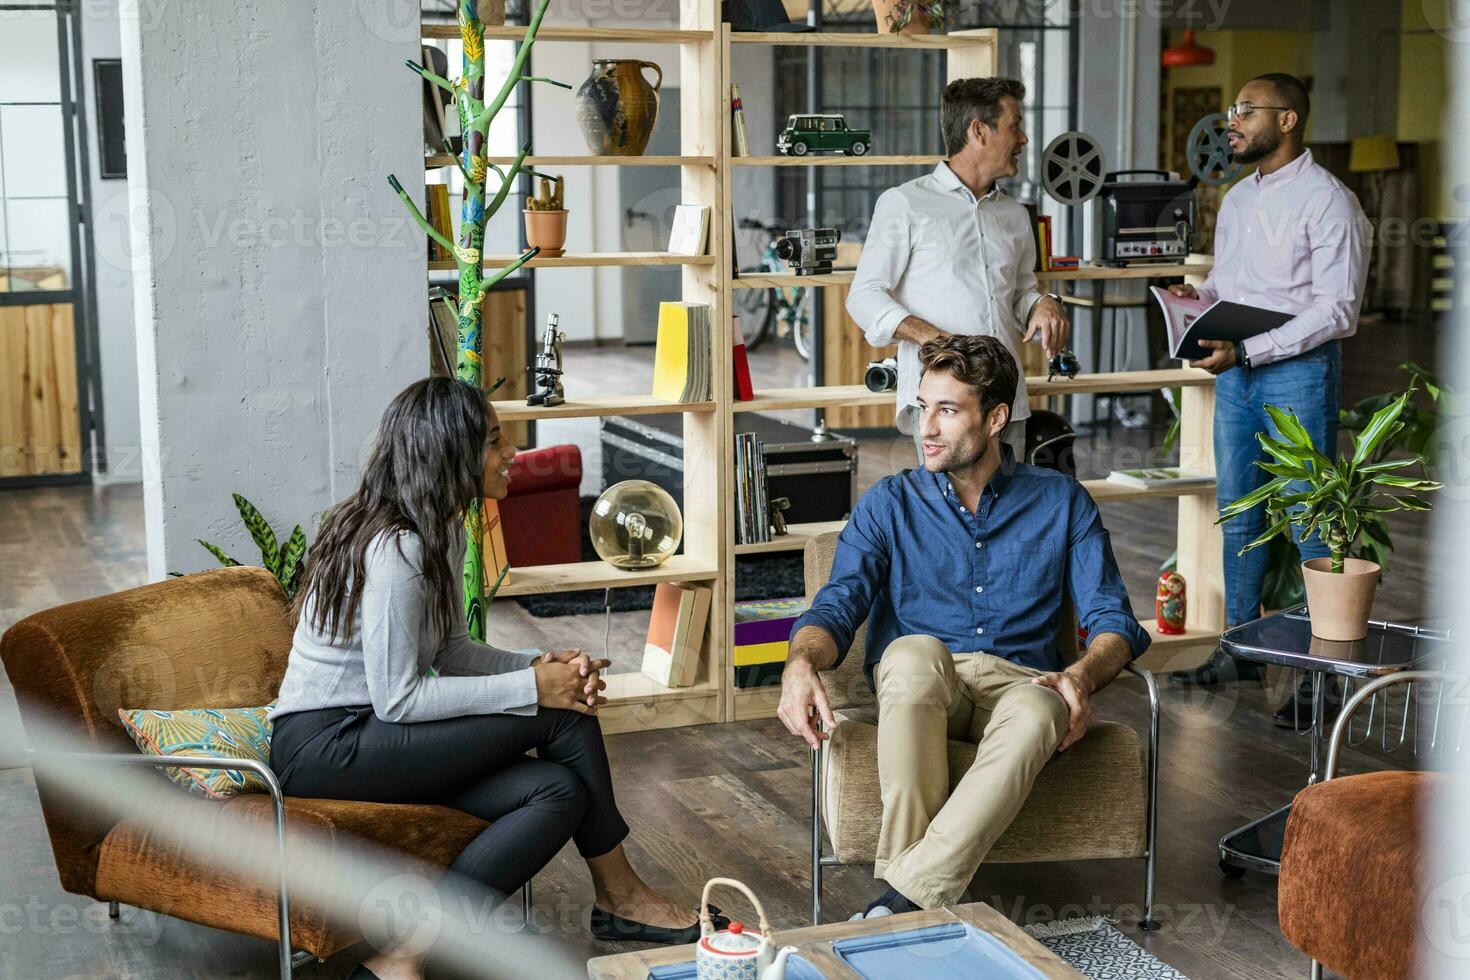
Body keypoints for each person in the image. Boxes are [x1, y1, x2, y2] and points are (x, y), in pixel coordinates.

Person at [268, 378, 726, 980]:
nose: (511, 451)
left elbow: (455, 651)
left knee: (557, 791)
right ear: (448, 453)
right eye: (492, 441)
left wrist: (541, 667)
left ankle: (407, 952)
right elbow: (400, 697)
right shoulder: (397, 547)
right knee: (561, 714)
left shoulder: (441, 531)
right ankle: (621, 896)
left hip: (375, 736)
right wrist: (540, 690)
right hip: (325, 745)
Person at [776, 335, 1149, 917]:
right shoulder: (889, 504)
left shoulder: (1062, 501)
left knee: (1043, 707)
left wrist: (1080, 676)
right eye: (923, 407)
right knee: (910, 654)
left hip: (1018, 684)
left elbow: (1114, 621)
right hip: (929, 685)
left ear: (996, 417)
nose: (927, 427)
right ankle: (918, 899)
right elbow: (837, 605)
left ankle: (903, 901)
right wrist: (800, 662)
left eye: (947, 410)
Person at [1166, 73, 1369, 728]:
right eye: (1233, 109)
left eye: (1246, 110)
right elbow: (1228, 284)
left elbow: (1337, 310)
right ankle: (1241, 648)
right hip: (1238, 372)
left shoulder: (1329, 202)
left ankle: (1322, 673)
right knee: (1239, 509)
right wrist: (1189, 307)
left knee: (1310, 518)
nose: (1232, 121)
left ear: (1287, 121)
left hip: (1297, 373)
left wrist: (1252, 351)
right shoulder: (1237, 199)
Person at [846, 76, 1070, 465]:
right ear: (979, 131)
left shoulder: (1015, 215)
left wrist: (1043, 303)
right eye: (1015, 125)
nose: (1024, 139)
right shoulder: (904, 203)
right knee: (947, 520)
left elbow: (1019, 293)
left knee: (1010, 517)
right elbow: (864, 296)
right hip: (940, 402)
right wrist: (932, 339)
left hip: (1006, 401)